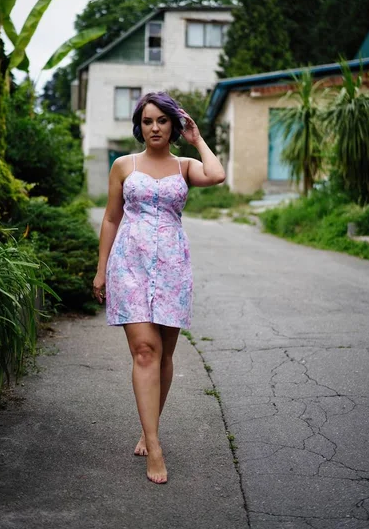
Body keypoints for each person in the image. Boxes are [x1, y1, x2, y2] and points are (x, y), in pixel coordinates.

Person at [92, 92, 226, 484]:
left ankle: (148, 427)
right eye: (148, 121)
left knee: (165, 353)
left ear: (173, 126)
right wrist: (101, 269)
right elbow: (111, 218)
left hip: (172, 267)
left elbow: (217, 175)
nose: (154, 127)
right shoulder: (123, 165)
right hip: (128, 265)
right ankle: (155, 444)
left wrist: (197, 139)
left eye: (162, 121)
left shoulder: (185, 166)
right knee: (145, 351)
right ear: (140, 125)